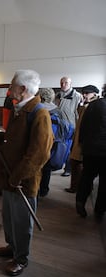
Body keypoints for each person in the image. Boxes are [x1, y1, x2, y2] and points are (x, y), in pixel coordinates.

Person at [0, 70, 53, 276]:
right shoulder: (19, 109)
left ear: (22, 89)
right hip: (9, 177)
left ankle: (21, 258)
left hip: (23, 181)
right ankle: (12, 247)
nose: (9, 89)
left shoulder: (39, 113)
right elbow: (13, 140)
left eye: (12, 85)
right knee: (9, 217)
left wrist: (18, 176)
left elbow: (40, 153)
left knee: (22, 221)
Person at [75, 85, 105, 221]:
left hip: (91, 148)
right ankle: (99, 210)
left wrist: (82, 144)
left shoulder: (94, 105)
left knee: (87, 176)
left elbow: (84, 125)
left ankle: (80, 201)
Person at [65, 85, 99, 193]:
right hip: (79, 136)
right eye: (83, 93)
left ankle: (81, 188)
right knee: (75, 163)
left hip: (86, 140)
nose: (84, 95)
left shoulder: (95, 106)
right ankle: (75, 187)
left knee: (82, 165)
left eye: (87, 93)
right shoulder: (85, 104)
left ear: (94, 93)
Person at [37, 87, 67, 197]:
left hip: (39, 142)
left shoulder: (37, 108)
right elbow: (63, 128)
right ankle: (44, 189)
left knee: (37, 166)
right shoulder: (58, 110)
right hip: (53, 143)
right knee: (47, 168)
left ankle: (34, 188)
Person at [56, 76, 83, 177]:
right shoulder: (58, 95)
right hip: (59, 126)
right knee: (58, 147)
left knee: (69, 149)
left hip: (70, 127)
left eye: (66, 83)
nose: (63, 85)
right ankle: (56, 165)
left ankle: (68, 169)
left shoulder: (77, 96)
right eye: (61, 83)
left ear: (70, 84)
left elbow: (80, 112)